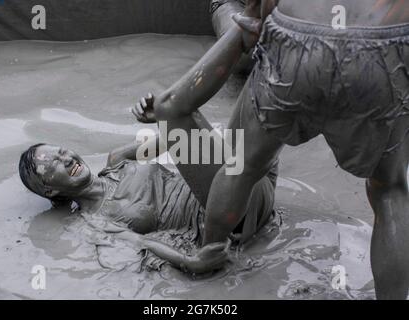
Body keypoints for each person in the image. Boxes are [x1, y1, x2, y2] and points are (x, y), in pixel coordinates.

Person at [132, 0, 409, 299]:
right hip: (383, 44)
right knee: (389, 190)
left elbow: (251, 24)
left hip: (296, 34)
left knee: (242, 164)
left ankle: (210, 251)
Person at [18, 108, 278, 275]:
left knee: (264, 105)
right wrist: (191, 262)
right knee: (188, 116)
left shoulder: (118, 159)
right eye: (54, 164)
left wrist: (165, 119)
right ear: (50, 190)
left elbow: (172, 140)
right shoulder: (95, 221)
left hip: (253, 182)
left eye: (62, 151)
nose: (66, 159)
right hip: (228, 216)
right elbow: (143, 243)